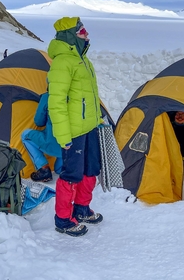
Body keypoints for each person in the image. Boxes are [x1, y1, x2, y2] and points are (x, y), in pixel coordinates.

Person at [47, 17, 104, 237]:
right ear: (70, 35)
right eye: (81, 31)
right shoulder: (63, 62)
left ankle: (81, 209)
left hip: (89, 127)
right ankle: (63, 219)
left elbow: (90, 96)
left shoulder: (83, 60)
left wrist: (98, 120)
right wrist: (63, 136)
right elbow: (56, 102)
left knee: (90, 170)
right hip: (73, 131)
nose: (86, 33)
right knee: (72, 174)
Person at [21, 90, 62, 182]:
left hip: (52, 143)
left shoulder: (48, 96)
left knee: (25, 135)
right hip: (72, 147)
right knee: (59, 169)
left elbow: (38, 122)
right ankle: (62, 167)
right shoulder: (77, 95)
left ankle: (43, 168)